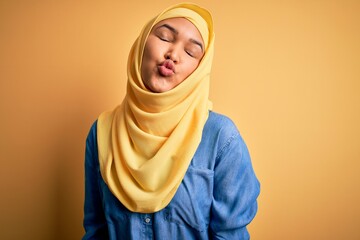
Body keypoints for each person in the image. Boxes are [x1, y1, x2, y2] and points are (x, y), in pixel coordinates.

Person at [83, 3, 260, 239]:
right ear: (141, 44)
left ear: (199, 70)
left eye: (191, 52)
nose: (173, 55)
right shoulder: (101, 133)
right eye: (165, 37)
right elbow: (96, 231)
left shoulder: (220, 139)